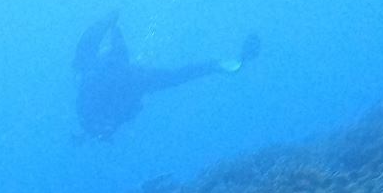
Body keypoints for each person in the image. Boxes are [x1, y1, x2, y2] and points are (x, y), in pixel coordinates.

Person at [73, 10, 260, 141]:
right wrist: (109, 23)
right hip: (126, 84)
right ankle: (217, 65)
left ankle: (217, 65)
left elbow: (87, 48)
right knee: (173, 77)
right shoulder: (122, 75)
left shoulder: (94, 72)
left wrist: (108, 23)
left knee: (169, 77)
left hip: (120, 87)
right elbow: (177, 76)